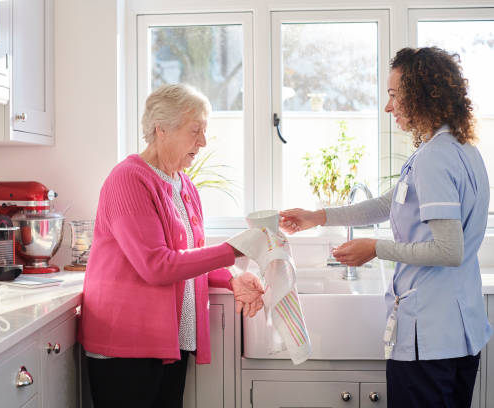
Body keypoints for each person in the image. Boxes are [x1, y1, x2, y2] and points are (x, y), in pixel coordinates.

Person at [279, 47, 491, 407]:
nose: (388, 107)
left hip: (429, 340)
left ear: (421, 95)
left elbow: (448, 249)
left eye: (394, 95)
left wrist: (375, 249)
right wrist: (319, 216)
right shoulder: (460, 148)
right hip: (458, 335)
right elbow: (386, 205)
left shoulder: (435, 158)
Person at [78, 83, 264, 408]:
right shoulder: (128, 180)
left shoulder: (184, 184)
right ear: (161, 129)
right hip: (127, 345)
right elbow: (157, 266)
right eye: (195, 131)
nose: (203, 142)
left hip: (171, 342)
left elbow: (188, 260)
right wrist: (236, 249)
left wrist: (231, 278)